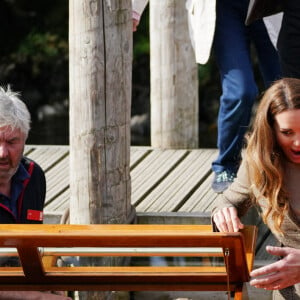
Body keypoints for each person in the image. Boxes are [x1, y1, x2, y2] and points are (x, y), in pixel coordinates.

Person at [132, 0, 281, 193]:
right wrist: (134, 9)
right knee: (240, 92)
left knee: (283, 89)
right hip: (225, 9)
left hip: (271, 8)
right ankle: (226, 165)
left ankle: (281, 163)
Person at [212, 77, 300, 299]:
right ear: (270, 130)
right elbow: (229, 200)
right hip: (288, 292)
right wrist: (222, 212)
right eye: (287, 132)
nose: (298, 143)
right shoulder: (259, 163)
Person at [0, 86, 71, 299]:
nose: (2, 153)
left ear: (25, 141)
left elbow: (31, 248)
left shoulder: (34, 176)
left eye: (12, 142)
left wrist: (47, 281)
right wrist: (34, 296)